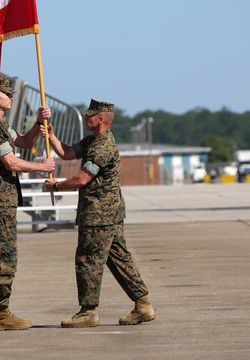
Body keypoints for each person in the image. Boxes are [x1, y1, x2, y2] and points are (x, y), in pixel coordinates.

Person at [44, 99, 155, 328]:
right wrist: (51, 135)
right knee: (119, 259)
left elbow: (82, 178)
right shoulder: (93, 141)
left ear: (101, 119)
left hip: (99, 215)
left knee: (88, 260)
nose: (86, 118)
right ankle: (143, 305)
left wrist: (56, 186)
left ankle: (88, 311)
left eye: (90, 116)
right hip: (107, 214)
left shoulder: (103, 147)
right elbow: (67, 153)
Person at [0, 76, 56, 331]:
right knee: (4, 254)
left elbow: (23, 141)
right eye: (7, 94)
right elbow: (11, 162)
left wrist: (38, 123)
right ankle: (1, 312)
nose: (11, 98)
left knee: (2, 252)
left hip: (2, 198)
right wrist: (41, 167)